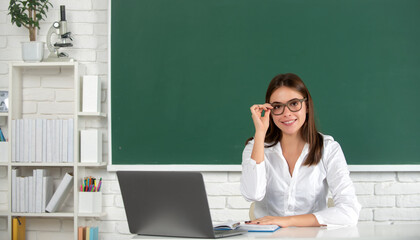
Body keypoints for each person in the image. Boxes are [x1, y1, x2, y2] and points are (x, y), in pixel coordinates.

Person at [240, 73, 361, 227]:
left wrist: (287, 221)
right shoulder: (255, 146)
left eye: (294, 103)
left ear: (307, 106)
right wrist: (260, 133)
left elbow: (349, 212)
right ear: (269, 111)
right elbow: (252, 194)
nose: (286, 113)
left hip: (312, 236)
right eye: (277, 106)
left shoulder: (328, 148)